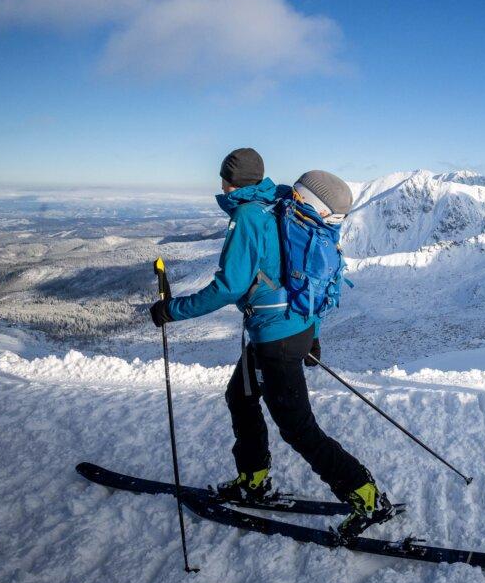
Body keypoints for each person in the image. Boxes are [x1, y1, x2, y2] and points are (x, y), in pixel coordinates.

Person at [149, 148, 394, 538]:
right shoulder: (278, 202)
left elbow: (229, 286)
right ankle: (254, 479)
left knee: (298, 428)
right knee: (240, 397)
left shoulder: (249, 215)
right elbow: (301, 277)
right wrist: (312, 335)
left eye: (223, 177)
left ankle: (365, 496)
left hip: (275, 340)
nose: (221, 183)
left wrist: (171, 311)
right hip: (291, 328)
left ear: (231, 182)